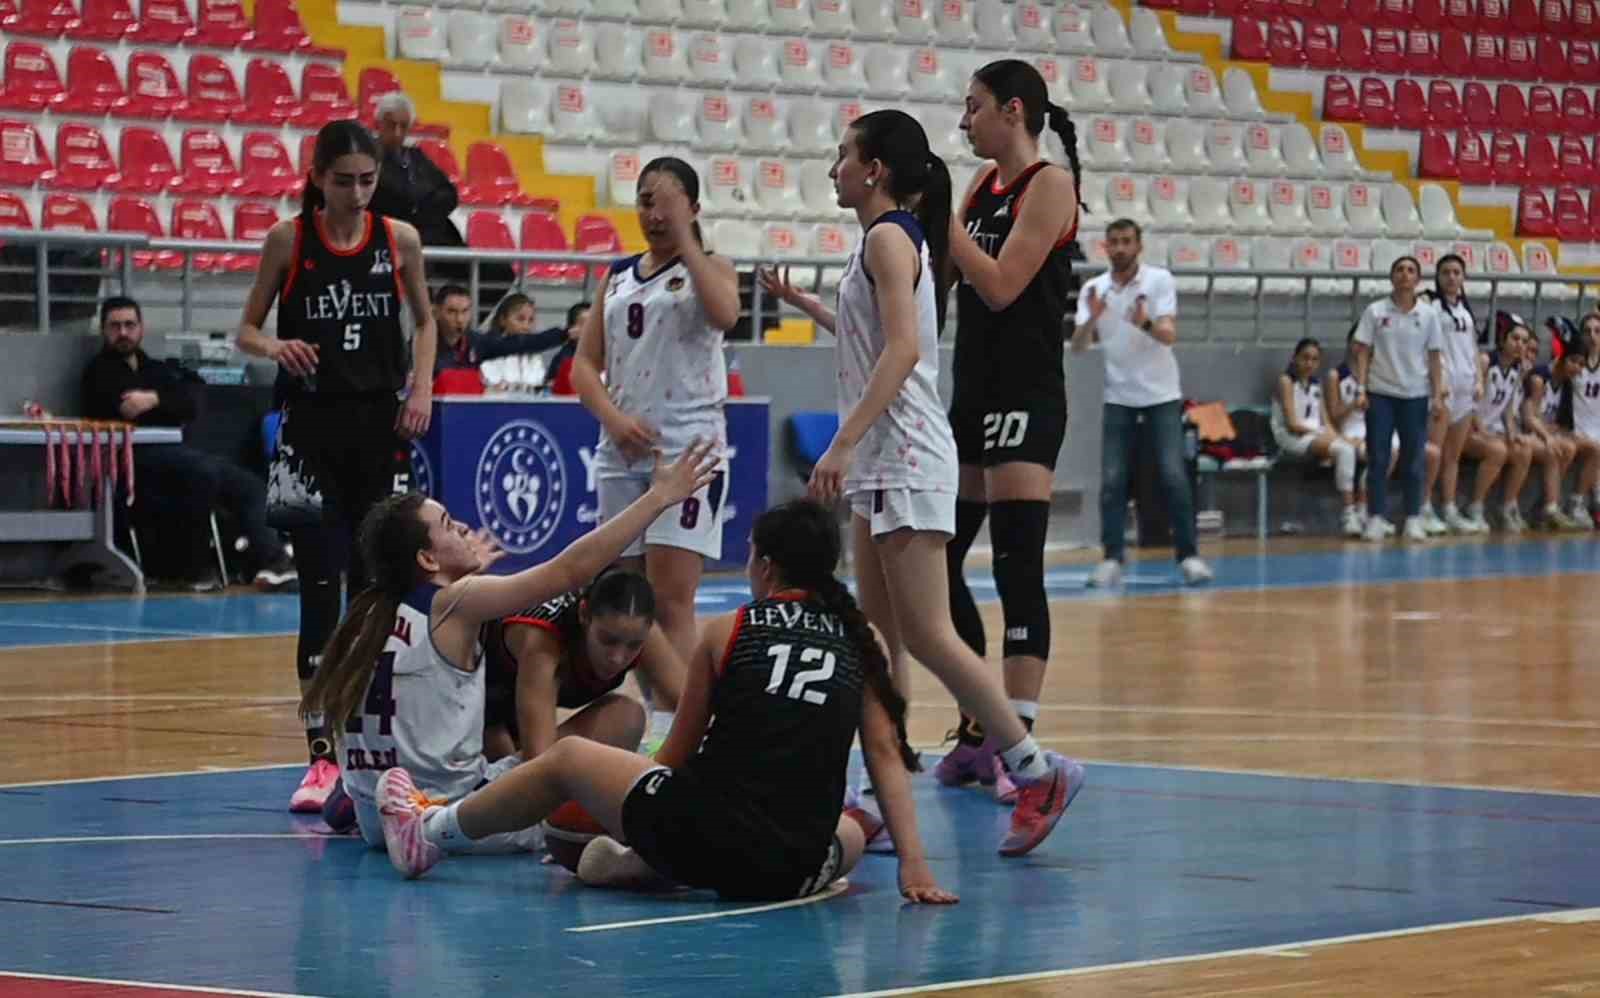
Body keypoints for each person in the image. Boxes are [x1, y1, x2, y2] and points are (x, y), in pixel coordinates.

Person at [759, 109, 1083, 857]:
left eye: (843, 155)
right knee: (873, 638)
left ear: (873, 168)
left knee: (929, 635)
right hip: (885, 458)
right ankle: (879, 787)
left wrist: (840, 442)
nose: (833, 166)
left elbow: (904, 351)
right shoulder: (891, 238)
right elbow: (885, 339)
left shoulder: (886, 236)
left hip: (902, 454)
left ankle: (1038, 770)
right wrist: (811, 306)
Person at [372, 499, 957, 905]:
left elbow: (675, 756)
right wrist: (915, 866)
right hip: (797, 867)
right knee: (851, 829)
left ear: (765, 566)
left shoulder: (727, 629)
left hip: (709, 842)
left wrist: (609, 808)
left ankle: (430, 830)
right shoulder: (864, 638)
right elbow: (884, 755)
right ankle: (642, 864)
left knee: (567, 759)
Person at [301, 442, 718, 854]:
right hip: (441, 811)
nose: (463, 527)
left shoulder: (364, 614)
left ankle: (348, 798)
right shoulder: (454, 605)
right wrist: (658, 498)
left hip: (372, 811)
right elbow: (569, 570)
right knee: (606, 736)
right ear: (427, 560)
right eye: (447, 524)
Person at [235, 120, 438, 814]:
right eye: (343, 180)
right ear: (317, 176)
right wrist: (276, 345)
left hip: (379, 427)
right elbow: (246, 328)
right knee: (320, 592)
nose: (356, 193)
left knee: (381, 590)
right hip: (310, 430)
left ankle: (380, 747)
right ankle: (321, 757)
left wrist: (424, 387)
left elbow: (427, 320)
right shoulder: (289, 240)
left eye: (367, 181)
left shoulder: (399, 240)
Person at [935, 59, 1083, 799]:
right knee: (941, 559)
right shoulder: (978, 189)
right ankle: (975, 727)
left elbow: (998, 286)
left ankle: (1017, 735)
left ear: (1014, 111)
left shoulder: (1050, 185)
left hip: (1026, 391)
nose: (964, 122)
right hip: (970, 391)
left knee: (1016, 564)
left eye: (974, 108)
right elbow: (948, 283)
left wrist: (944, 223)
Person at [572, 158, 740, 676]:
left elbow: (726, 315)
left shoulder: (715, 267)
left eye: (668, 203)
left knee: (671, 601)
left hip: (688, 452)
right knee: (626, 603)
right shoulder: (617, 276)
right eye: (647, 201)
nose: (655, 214)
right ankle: (653, 712)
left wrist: (688, 244)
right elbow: (583, 364)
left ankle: (692, 723)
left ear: (692, 209)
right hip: (620, 455)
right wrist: (614, 419)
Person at [81, 296, 296, 589]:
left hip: (178, 452)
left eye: (129, 325)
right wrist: (164, 401)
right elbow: (125, 407)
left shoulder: (155, 369)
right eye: (115, 326)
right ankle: (192, 569)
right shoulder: (97, 373)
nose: (123, 333)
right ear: (104, 331)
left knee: (250, 485)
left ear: (141, 328)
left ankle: (272, 562)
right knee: (200, 474)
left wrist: (154, 399)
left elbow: (190, 402)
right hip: (134, 461)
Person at [1071, 219, 1212, 586]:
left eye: (1126, 241)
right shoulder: (1094, 288)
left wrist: (1144, 323)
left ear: (1139, 245)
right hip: (1118, 395)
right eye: (1113, 242)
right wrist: (1093, 320)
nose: (1120, 248)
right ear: (1105, 247)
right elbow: (1079, 346)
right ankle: (1111, 558)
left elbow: (1168, 335)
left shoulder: (1158, 281)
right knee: (1113, 480)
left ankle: (1189, 556)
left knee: (1173, 475)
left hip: (1161, 394)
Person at [480, 567, 685, 762]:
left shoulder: (639, 630)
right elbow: (537, 761)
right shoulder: (543, 642)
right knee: (515, 770)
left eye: (633, 645)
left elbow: (694, 704)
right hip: (471, 703)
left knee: (626, 719)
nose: (618, 658)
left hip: (511, 702)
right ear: (584, 615)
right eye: (608, 640)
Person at [1349, 256, 1446, 543]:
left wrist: (1437, 395)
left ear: (1418, 280)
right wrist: (1362, 387)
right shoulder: (1375, 311)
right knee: (1378, 457)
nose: (1405, 275)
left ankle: (1414, 518)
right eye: (1399, 270)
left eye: (1411, 270)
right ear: (1392, 277)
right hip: (1381, 394)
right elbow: (1362, 350)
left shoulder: (1428, 315)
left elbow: (1434, 356)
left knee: (1414, 459)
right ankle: (1375, 517)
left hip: (1415, 395)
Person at [1271, 338, 1362, 536]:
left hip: (1313, 436)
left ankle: (1358, 512)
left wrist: (1340, 438)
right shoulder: (1286, 381)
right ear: (1295, 358)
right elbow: (1292, 424)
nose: (1309, 363)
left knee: (1348, 448)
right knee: (1343, 450)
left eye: (1314, 359)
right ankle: (1348, 514)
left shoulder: (1316, 385)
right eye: (1305, 358)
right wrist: (1327, 438)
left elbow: (1326, 423)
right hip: (1291, 437)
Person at [1420, 256, 1483, 535]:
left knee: (1452, 456)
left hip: (1466, 387)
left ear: (1463, 277)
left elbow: (1472, 347)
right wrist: (1437, 382)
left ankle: (1449, 507)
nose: (1451, 277)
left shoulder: (1465, 310)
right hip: (1442, 387)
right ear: (1438, 276)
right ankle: (1422, 507)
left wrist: (1479, 380)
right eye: (1445, 272)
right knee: (1433, 452)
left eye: (1457, 272)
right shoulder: (1431, 306)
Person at [1458, 315, 1532, 533]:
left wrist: (1512, 432)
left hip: (1491, 430)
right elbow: (1469, 404)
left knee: (1523, 450)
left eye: (1524, 341)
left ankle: (1507, 506)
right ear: (1502, 339)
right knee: (1498, 450)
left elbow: (1508, 409)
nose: (1520, 345)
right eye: (1515, 339)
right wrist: (1481, 430)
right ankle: (1475, 506)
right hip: (1467, 427)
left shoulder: (1518, 369)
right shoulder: (1485, 361)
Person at [1519, 323, 1586, 530]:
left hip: (1542, 433)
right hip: (1524, 432)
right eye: (1574, 361)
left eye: (1582, 364)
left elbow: (1559, 423)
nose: (1578, 368)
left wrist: (1555, 432)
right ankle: (1548, 509)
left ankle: (1547, 504)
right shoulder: (1540, 379)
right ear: (1561, 358)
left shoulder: (1566, 384)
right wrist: (1547, 435)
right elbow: (1529, 417)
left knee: (1570, 447)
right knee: (1554, 450)